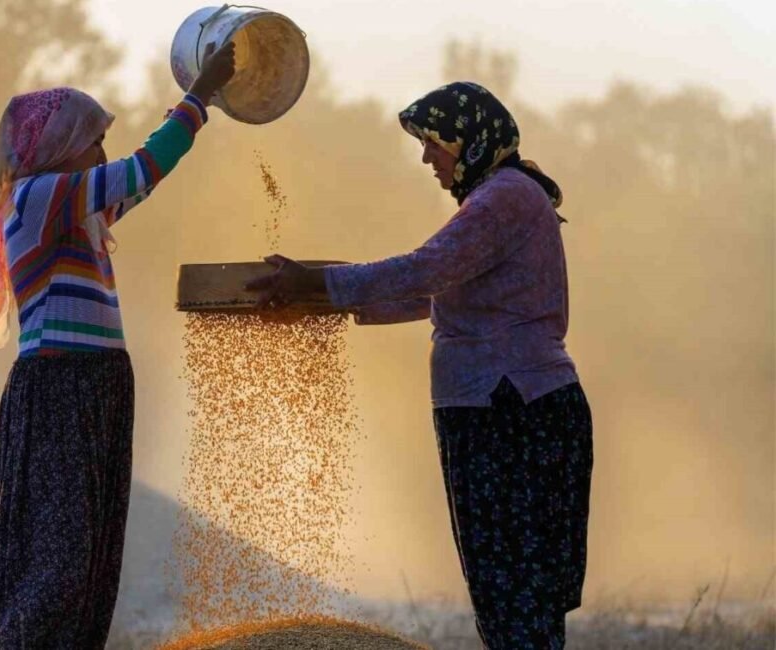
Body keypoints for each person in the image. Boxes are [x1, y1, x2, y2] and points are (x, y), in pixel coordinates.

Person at [247, 81, 593, 650]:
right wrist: (322, 303)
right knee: (509, 594)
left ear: (470, 138)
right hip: (502, 405)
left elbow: (426, 270)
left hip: (510, 407)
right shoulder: (501, 197)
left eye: (434, 141)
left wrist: (320, 284)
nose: (426, 156)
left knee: (516, 592)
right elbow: (433, 292)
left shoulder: (504, 197)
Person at [0, 42, 236, 649]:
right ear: (59, 149)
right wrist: (199, 98)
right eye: (92, 143)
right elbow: (142, 168)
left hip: (98, 387)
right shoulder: (39, 197)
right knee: (59, 561)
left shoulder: (77, 210)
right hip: (60, 386)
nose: (102, 155)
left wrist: (203, 104)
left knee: (92, 560)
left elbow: (139, 183)